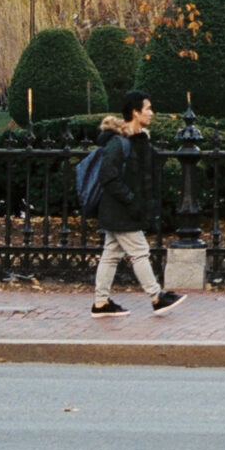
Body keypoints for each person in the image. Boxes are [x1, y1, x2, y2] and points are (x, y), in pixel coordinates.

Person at [90, 91, 181, 319]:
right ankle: (157, 296)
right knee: (140, 252)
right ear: (135, 112)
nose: (151, 113)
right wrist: (131, 200)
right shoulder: (118, 143)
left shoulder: (138, 140)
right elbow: (108, 176)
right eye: (148, 108)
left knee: (110, 254)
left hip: (121, 208)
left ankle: (101, 303)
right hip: (122, 208)